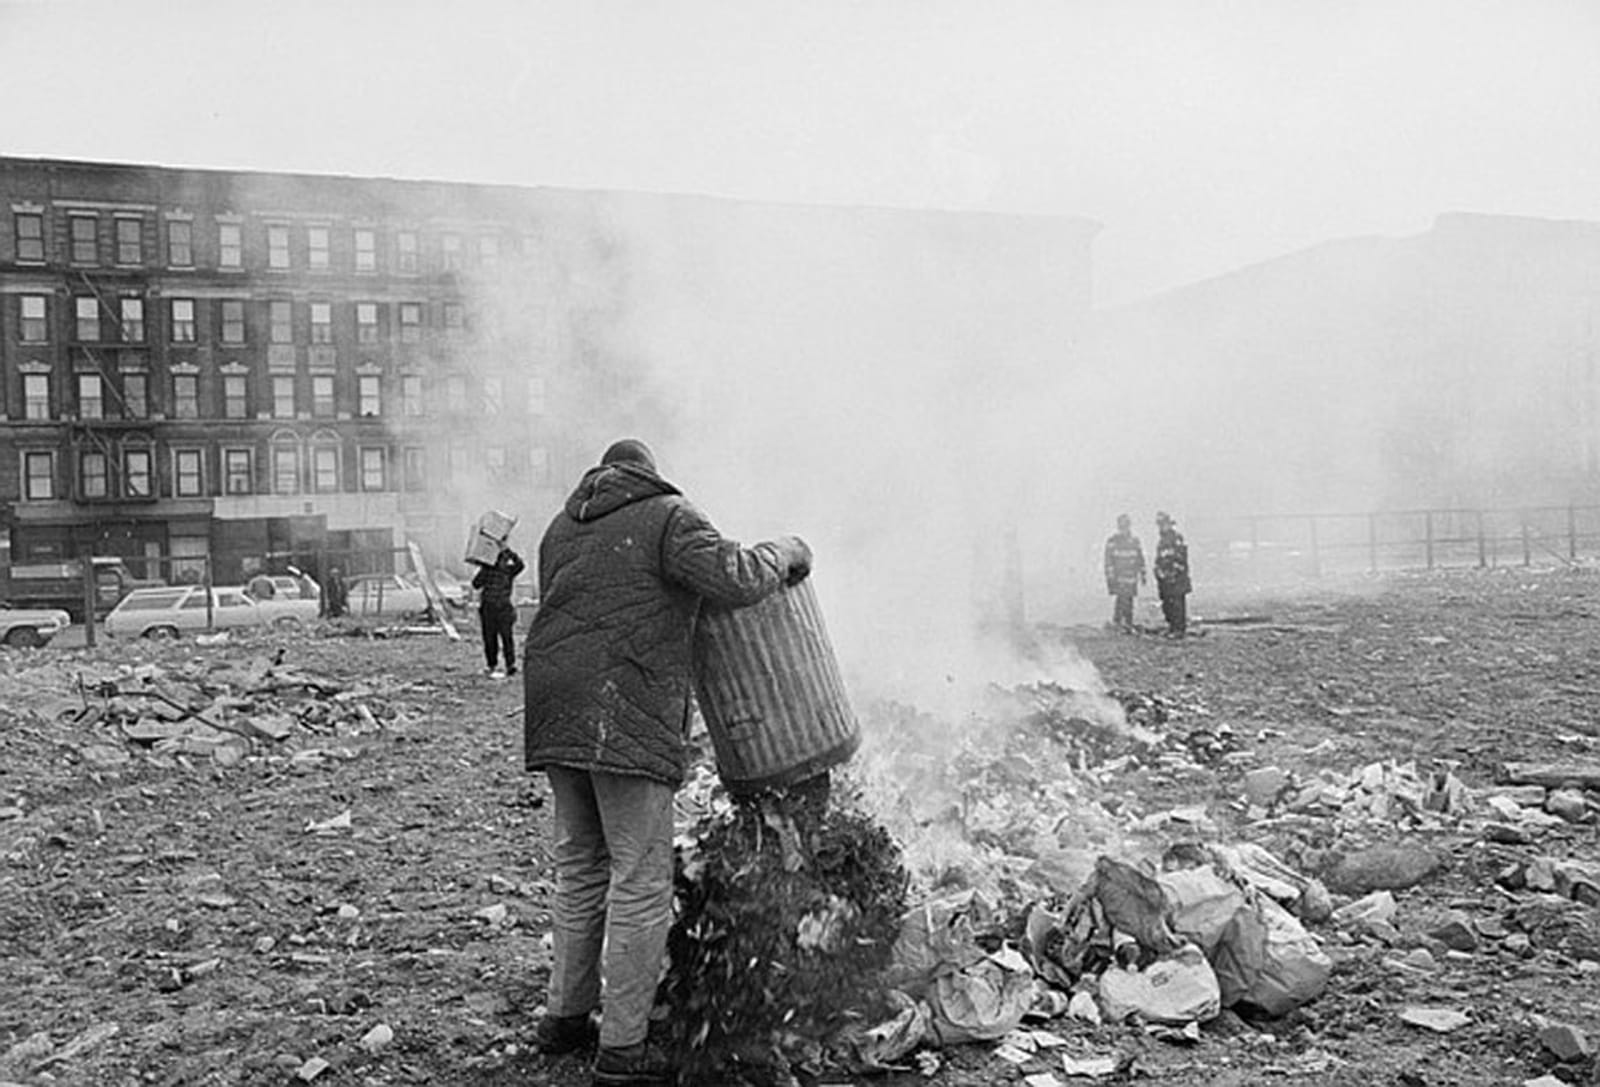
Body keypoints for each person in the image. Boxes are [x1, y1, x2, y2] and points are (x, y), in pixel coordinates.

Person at [522, 438, 811, 1086]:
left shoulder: (559, 526)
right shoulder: (667, 516)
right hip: (622, 706)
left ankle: (565, 1016)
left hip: (554, 704)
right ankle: (623, 1047)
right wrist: (787, 551)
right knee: (640, 876)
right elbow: (736, 575)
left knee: (580, 866)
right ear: (647, 476)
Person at [472, 543, 525, 679]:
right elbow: (520, 565)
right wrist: (508, 551)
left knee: (493, 638)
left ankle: (495, 665)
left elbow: (476, 584)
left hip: (492, 607)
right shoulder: (507, 570)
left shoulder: (489, 570)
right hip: (500, 607)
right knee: (504, 638)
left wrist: (483, 566)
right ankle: (508, 665)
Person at [1103, 513, 1147, 633]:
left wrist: (1143, 573)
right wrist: (1110, 577)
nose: (1124, 528)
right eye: (1122, 526)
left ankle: (1127, 622)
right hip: (1119, 577)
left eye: (1126, 525)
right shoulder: (1112, 541)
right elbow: (1108, 560)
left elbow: (1140, 557)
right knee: (1121, 599)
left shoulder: (1134, 541)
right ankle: (1118, 622)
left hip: (1131, 577)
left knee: (1129, 600)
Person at [1153, 511, 1191, 637]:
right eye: (1160, 525)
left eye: (1163, 524)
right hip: (1165, 579)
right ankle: (1172, 626)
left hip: (1176, 578)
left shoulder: (1177, 538)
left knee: (1177, 604)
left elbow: (1180, 558)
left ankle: (1178, 629)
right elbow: (1160, 559)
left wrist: (1173, 574)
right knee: (1167, 604)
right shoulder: (1161, 541)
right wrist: (1159, 572)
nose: (1161, 527)